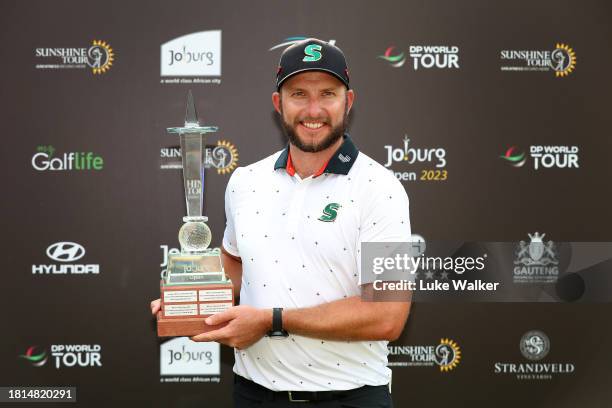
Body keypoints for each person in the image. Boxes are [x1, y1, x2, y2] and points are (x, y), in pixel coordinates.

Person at [151, 38, 412, 407]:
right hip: (254, 394)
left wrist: (272, 320)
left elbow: (388, 314)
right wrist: (191, 301)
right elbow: (235, 267)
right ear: (279, 104)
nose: (314, 109)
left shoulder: (381, 188)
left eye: (328, 94)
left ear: (348, 102)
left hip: (347, 398)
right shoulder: (245, 181)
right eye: (298, 94)